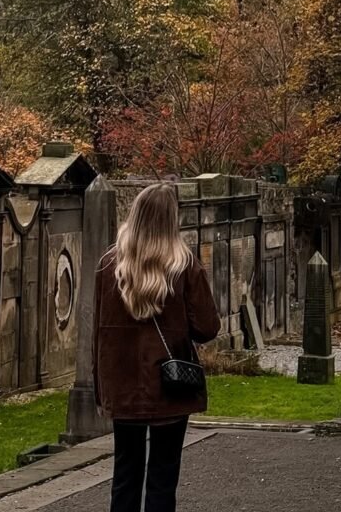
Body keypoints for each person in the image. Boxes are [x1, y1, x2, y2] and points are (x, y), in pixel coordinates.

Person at [93, 183, 220, 512]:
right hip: (170, 385)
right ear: (170, 220)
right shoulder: (184, 266)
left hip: (121, 386)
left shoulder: (109, 267)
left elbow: (98, 335)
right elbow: (207, 328)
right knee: (163, 478)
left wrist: (101, 390)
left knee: (125, 475)